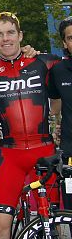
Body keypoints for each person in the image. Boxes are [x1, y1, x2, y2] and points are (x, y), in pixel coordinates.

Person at [0, 12, 61, 239]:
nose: (6, 39)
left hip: (43, 153)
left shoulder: (44, 62)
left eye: (10, 32)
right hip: (10, 156)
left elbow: (56, 100)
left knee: (50, 225)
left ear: (20, 36)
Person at [47, 15, 72, 209]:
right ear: (65, 42)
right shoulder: (58, 71)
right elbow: (54, 107)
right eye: (70, 37)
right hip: (70, 151)